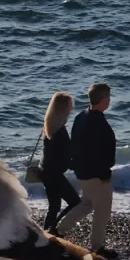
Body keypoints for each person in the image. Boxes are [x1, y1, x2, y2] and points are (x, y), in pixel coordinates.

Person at [55, 83, 118, 260]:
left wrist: (76, 165)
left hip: (83, 171)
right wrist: (104, 172)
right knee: (102, 211)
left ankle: (58, 230)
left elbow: (75, 145)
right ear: (104, 100)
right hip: (96, 174)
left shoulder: (82, 116)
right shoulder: (97, 122)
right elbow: (98, 153)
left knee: (87, 204)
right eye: (108, 97)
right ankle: (97, 247)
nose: (110, 100)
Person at [39, 92, 81, 234]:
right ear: (63, 108)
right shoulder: (59, 130)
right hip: (54, 174)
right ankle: (53, 231)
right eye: (70, 106)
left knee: (54, 207)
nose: (71, 109)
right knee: (75, 203)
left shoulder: (49, 124)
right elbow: (63, 156)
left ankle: (46, 233)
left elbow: (55, 154)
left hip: (46, 171)